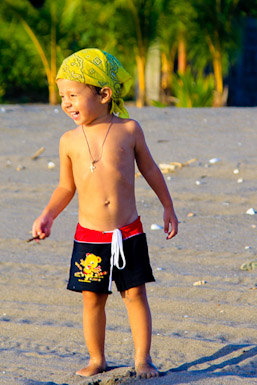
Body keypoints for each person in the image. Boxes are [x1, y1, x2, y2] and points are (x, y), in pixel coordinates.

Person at [31, 48, 179, 379]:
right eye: (62, 97)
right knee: (92, 300)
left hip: (129, 232)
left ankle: (143, 359)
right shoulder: (68, 140)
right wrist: (48, 215)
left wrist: (168, 206)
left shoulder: (129, 130)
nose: (66, 103)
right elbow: (65, 188)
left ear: (104, 94)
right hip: (90, 235)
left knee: (135, 295)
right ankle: (97, 358)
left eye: (73, 95)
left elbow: (151, 170)